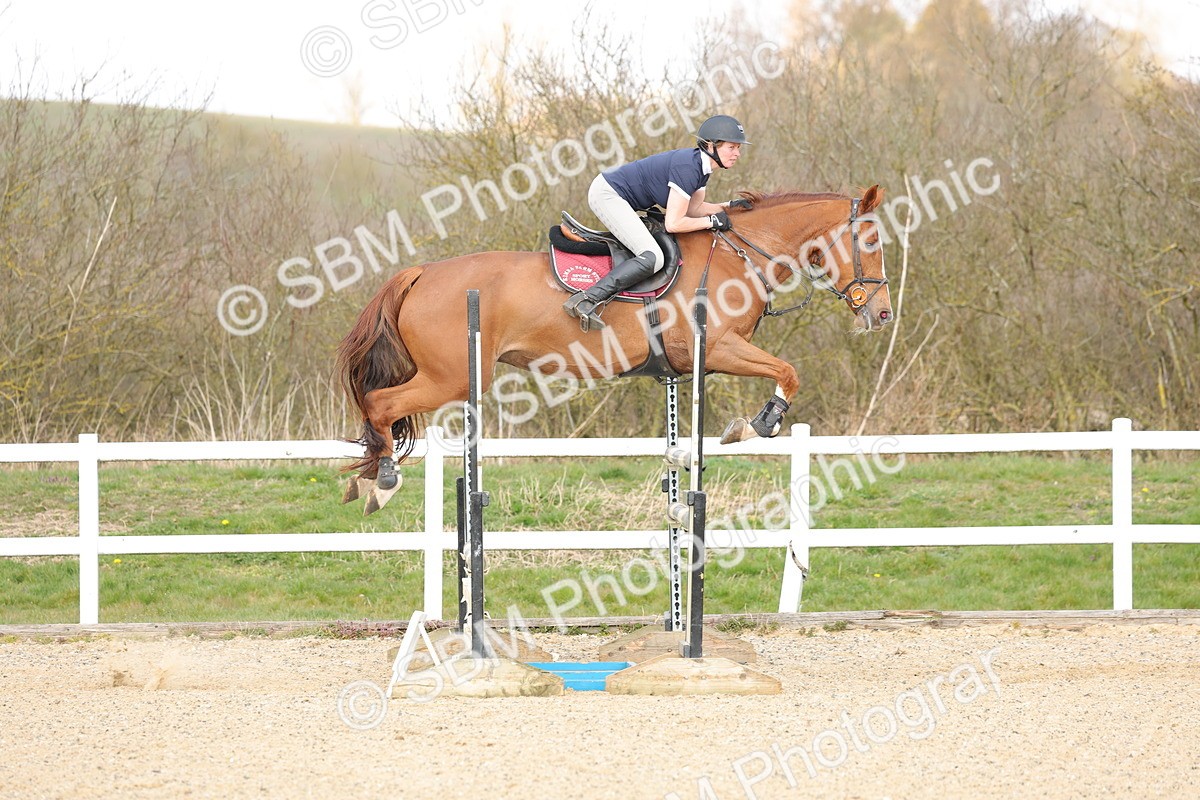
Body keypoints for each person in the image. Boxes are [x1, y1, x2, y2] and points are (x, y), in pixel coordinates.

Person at [562, 114, 754, 329]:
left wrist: (730, 206)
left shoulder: (701, 169)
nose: (737, 153)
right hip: (607, 194)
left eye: (738, 148)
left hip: (617, 194)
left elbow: (695, 209)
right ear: (710, 145)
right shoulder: (689, 169)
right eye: (732, 147)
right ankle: (586, 300)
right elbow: (675, 223)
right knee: (652, 257)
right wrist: (712, 222)